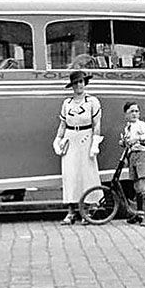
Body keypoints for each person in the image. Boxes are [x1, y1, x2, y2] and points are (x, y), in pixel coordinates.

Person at [52, 70, 103, 225]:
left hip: (86, 138)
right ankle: (71, 212)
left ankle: (86, 211)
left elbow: (97, 124)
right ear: (72, 86)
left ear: (85, 83)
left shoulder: (92, 101)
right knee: (70, 174)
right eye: (75, 83)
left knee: (86, 174)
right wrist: (57, 139)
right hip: (70, 139)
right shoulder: (67, 103)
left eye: (81, 82)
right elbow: (63, 124)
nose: (79, 85)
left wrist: (95, 143)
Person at [119, 101, 145, 226]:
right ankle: (139, 214)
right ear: (126, 114)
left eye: (136, 111)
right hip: (132, 156)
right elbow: (128, 142)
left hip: (142, 155)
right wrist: (124, 142)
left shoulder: (141, 125)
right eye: (131, 111)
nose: (134, 114)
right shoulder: (127, 128)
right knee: (136, 187)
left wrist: (139, 138)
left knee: (143, 186)